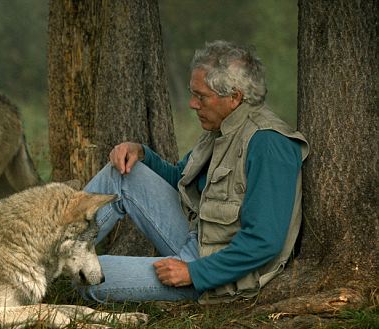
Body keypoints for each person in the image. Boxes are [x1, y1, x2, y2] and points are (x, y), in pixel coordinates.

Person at [78, 40, 309, 304]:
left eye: (201, 96)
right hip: (196, 236)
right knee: (121, 173)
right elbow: (181, 180)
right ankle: (39, 255)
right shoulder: (222, 127)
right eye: (193, 94)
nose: (192, 104)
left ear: (234, 97)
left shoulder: (268, 144)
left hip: (218, 272)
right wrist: (142, 154)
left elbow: (264, 241)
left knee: (92, 277)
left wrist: (194, 272)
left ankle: (46, 268)